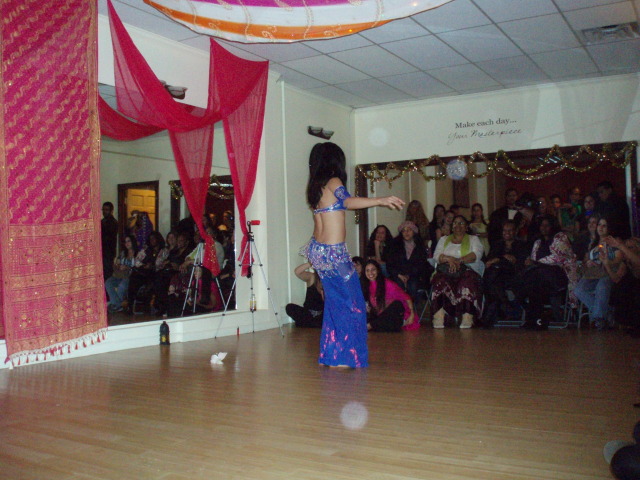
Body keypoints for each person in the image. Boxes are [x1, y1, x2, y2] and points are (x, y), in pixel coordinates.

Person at [302, 142, 404, 368]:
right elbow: (347, 201)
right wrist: (380, 200)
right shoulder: (333, 181)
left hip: (318, 250)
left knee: (335, 303)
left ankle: (330, 354)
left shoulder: (315, 187)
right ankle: (345, 357)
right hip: (333, 253)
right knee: (353, 304)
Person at [512, 215, 577, 329]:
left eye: (547, 225)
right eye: (542, 225)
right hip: (538, 275)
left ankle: (534, 317)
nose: (544, 228)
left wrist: (536, 262)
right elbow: (533, 259)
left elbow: (559, 257)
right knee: (531, 282)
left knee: (533, 280)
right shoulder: (538, 241)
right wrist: (530, 262)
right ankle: (535, 317)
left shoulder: (560, 238)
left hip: (557, 274)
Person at [431, 215, 484, 328]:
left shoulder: (473, 239)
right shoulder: (444, 239)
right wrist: (449, 259)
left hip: (467, 269)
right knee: (440, 280)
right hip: (447, 270)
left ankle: (467, 316)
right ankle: (439, 315)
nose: (457, 225)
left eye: (461, 223)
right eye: (455, 223)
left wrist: (459, 261)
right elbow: (436, 255)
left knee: (467, 281)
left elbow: (477, 254)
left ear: (466, 227)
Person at [574, 216, 622, 330]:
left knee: (602, 285)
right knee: (579, 290)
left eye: (604, 225)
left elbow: (619, 259)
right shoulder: (593, 243)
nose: (601, 227)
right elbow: (586, 260)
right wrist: (588, 263)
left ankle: (598, 319)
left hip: (609, 272)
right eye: (599, 225)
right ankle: (607, 312)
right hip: (594, 273)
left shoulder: (615, 242)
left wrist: (606, 262)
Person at [482, 220, 528, 327]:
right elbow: (489, 261)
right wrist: (502, 257)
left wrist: (499, 259)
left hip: (513, 275)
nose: (507, 233)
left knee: (493, 279)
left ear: (515, 231)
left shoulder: (521, 245)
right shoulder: (497, 244)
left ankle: (496, 310)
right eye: (505, 230)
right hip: (497, 275)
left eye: (510, 230)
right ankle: (505, 304)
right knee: (494, 276)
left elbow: (517, 261)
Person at [361, 260, 417, 332]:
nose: (370, 273)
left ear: (378, 270)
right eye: (367, 270)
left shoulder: (387, 283)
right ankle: (376, 326)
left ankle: (371, 326)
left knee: (397, 304)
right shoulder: (365, 285)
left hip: (393, 315)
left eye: (373, 270)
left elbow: (407, 298)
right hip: (380, 316)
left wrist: (412, 314)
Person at [386, 221, 432, 300]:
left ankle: (411, 306)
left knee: (413, 286)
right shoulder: (395, 245)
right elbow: (390, 264)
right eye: (404, 230)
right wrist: (399, 275)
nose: (406, 232)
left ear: (413, 231)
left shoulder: (419, 246)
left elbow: (421, 264)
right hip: (397, 274)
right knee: (398, 285)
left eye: (409, 230)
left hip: (413, 275)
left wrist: (408, 275)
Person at [604, 236, 640, 336]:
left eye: (630, 248)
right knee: (620, 288)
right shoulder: (626, 262)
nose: (627, 250)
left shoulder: (636, 259)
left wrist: (620, 246)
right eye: (626, 247)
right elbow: (616, 279)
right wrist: (606, 264)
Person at [105, 235, 138, 313]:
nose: (127, 243)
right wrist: (118, 265)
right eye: (125, 242)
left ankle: (115, 305)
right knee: (108, 282)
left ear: (132, 242)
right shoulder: (123, 253)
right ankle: (118, 305)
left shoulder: (138, 253)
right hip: (119, 275)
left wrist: (127, 267)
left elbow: (138, 266)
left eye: (129, 241)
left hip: (130, 276)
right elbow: (117, 263)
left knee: (122, 286)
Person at [285, 262, 324, 328]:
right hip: (308, 313)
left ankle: (307, 323)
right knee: (289, 307)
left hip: (321, 315)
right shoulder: (312, 277)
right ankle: (311, 323)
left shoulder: (329, 280)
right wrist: (311, 262)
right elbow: (297, 272)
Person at [101, 202, 118, 281]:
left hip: (108, 252)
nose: (104, 212)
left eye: (106, 210)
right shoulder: (102, 221)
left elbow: (108, 237)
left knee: (107, 274)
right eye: (103, 210)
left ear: (111, 211)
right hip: (103, 252)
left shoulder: (113, 222)